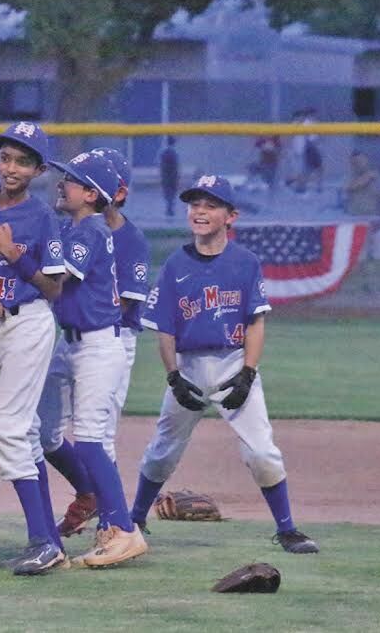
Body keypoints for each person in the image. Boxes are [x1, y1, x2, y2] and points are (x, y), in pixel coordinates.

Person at [129, 174, 319, 555]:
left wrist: (248, 373)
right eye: (195, 204)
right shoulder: (175, 265)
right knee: (163, 451)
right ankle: (133, 521)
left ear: (231, 216)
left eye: (210, 204)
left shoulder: (245, 263)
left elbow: (255, 321)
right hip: (188, 367)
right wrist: (174, 377)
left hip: (234, 362)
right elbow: (164, 329)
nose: (199, 211)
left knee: (262, 452)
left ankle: (286, 529)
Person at [39, 150, 148, 568]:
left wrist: (12, 256)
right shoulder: (77, 226)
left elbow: (58, 280)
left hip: (101, 345)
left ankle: (122, 528)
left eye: (70, 179)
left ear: (90, 193)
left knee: (91, 438)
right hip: (73, 344)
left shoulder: (89, 230)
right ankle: (108, 520)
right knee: (46, 430)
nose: (61, 183)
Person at [0, 122, 68, 575]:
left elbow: (53, 288)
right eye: (7, 157)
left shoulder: (43, 216)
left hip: (28, 321)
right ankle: (45, 539)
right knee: (23, 433)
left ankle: (45, 541)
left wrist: (14, 255)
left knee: (9, 429)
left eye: (23, 161)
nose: (12, 167)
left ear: (38, 170)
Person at [344, 151, 380, 293]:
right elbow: (351, 187)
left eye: (362, 160)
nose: (359, 163)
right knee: (362, 254)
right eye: (356, 161)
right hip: (358, 221)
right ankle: (366, 285)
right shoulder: (350, 177)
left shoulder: (377, 177)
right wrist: (369, 176)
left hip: (375, 219)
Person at [159, 136, 179, 217]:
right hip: (171, 177)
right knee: (171, 194)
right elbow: (174, 167)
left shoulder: (164, 152)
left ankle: (169, 209)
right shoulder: (173, 153)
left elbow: (162, 166)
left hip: (166, 177)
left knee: (168, 194)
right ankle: (170, 209)